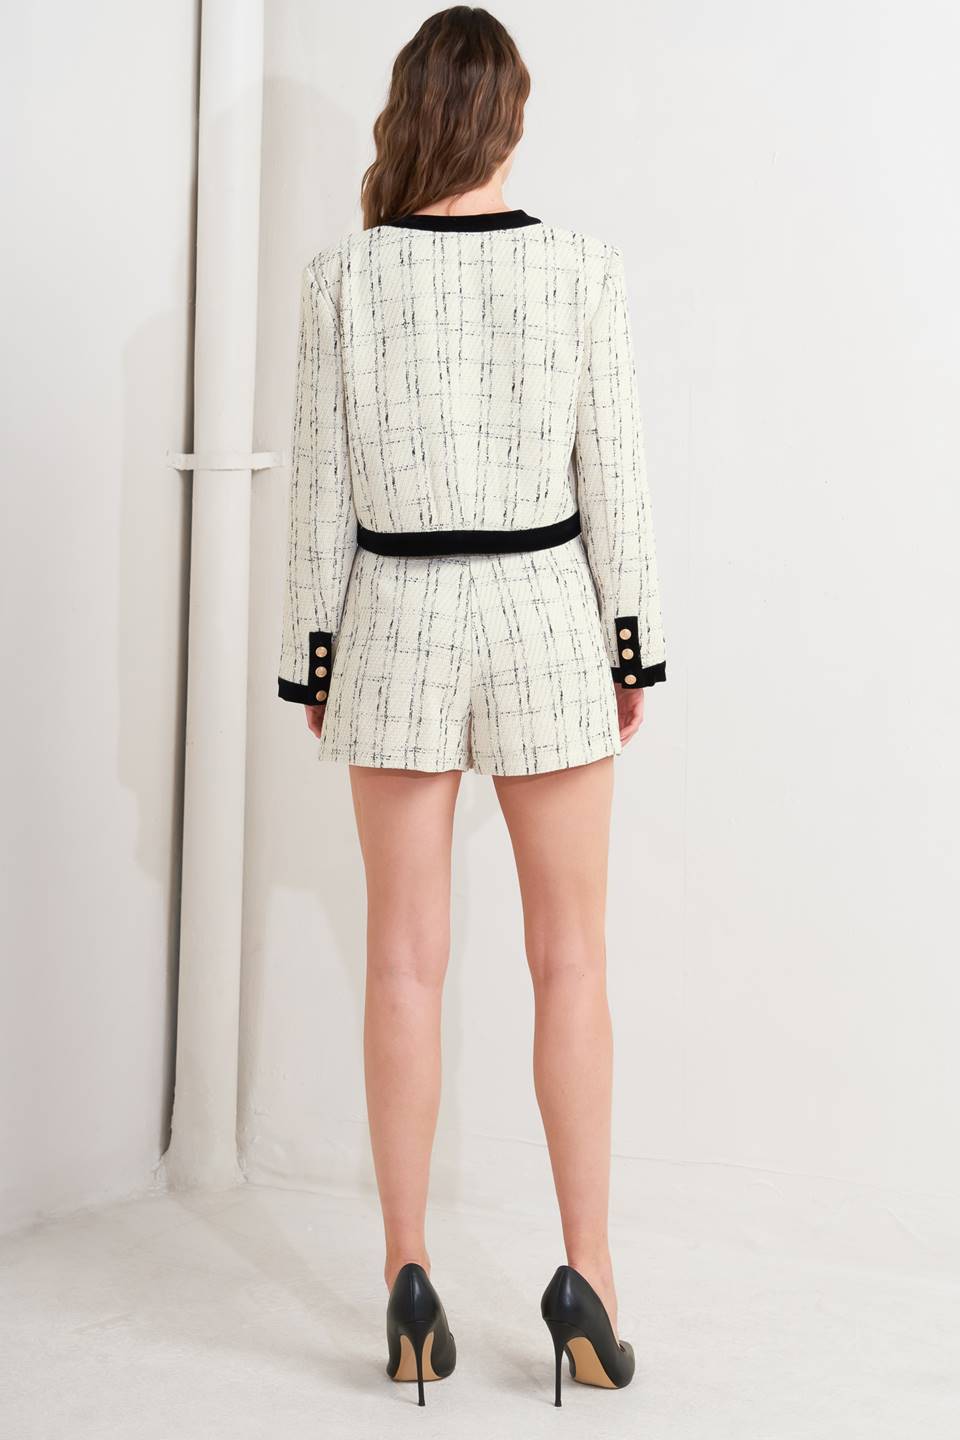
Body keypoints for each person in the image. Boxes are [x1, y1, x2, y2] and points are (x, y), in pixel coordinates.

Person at [276, 5, 666, 1408]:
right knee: (572, 962)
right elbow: (616, 471)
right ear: (508, 117)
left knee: (402, 961)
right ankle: (588, 1281)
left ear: (412, 113)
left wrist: (316, 658)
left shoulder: (343, 278)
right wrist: (632, 647)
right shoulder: (581, 267)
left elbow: (319, 487)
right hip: (546, 611)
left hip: (396, 612)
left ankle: (407, 1276)